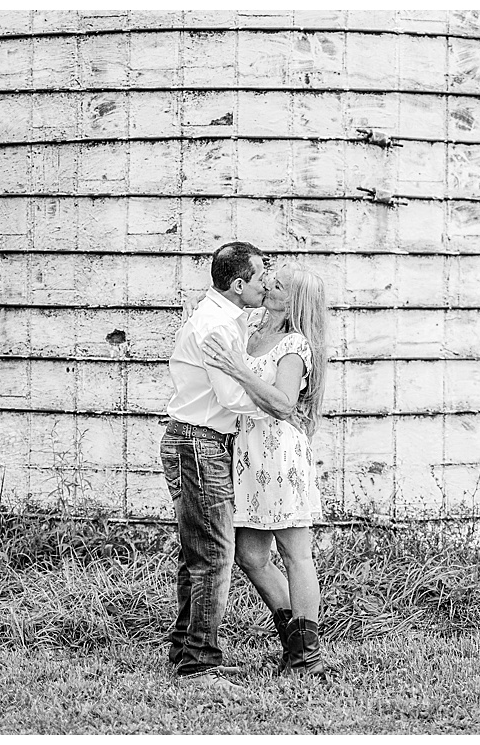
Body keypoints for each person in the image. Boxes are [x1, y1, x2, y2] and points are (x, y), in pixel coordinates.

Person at [160, 241, 282, 688]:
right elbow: (232, 398)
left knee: (199, 552)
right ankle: (199, 665)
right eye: (258, 277)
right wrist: (281, 402)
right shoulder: (217, 327)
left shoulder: (222, 318)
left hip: (198, 440)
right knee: (214, 553)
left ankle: (186, 649)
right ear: (237, 285)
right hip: (199, 442)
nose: (264, 284)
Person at [203, 262, 332, 676]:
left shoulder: (294, 346)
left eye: (279, 283)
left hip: (279, 455)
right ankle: (293, 638)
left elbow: (283, 404)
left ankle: (306, 656)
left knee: (295, 553)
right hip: (246, 453)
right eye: (272, 277)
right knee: (250, 554)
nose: (269, 282)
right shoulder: (252, 327)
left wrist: (238, 369)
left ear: (293, 299)